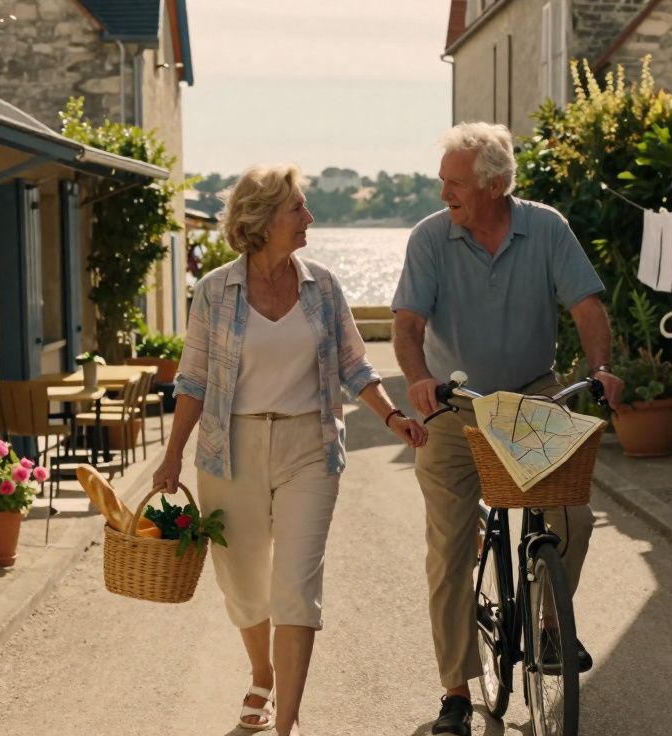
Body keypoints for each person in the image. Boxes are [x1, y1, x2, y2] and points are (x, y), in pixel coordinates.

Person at [153, 164, 427, 736]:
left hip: (309, 445)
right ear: (262, 219)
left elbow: (354, 363)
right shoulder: (215, 291)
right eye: (298, 208)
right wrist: (173, 455)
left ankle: (287, 723)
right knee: (243, 582)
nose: (310, 217)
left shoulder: (322, 286)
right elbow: (194, 379)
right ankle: (262, 674)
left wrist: (392, 415)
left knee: (297, 587)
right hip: (230, 449)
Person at [392, 122, 624, 736]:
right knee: (449, 549)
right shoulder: (430, 238)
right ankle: (455, 692)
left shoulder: (546, 228)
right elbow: (408, 326)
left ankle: (549, 626)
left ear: (494, 186)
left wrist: (601, 368)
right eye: (443, 181)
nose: (444, 193)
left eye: (455, 183)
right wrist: (418, 380)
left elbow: (587, 307)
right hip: (453, 405)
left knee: (573, 517)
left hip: (530, 396)